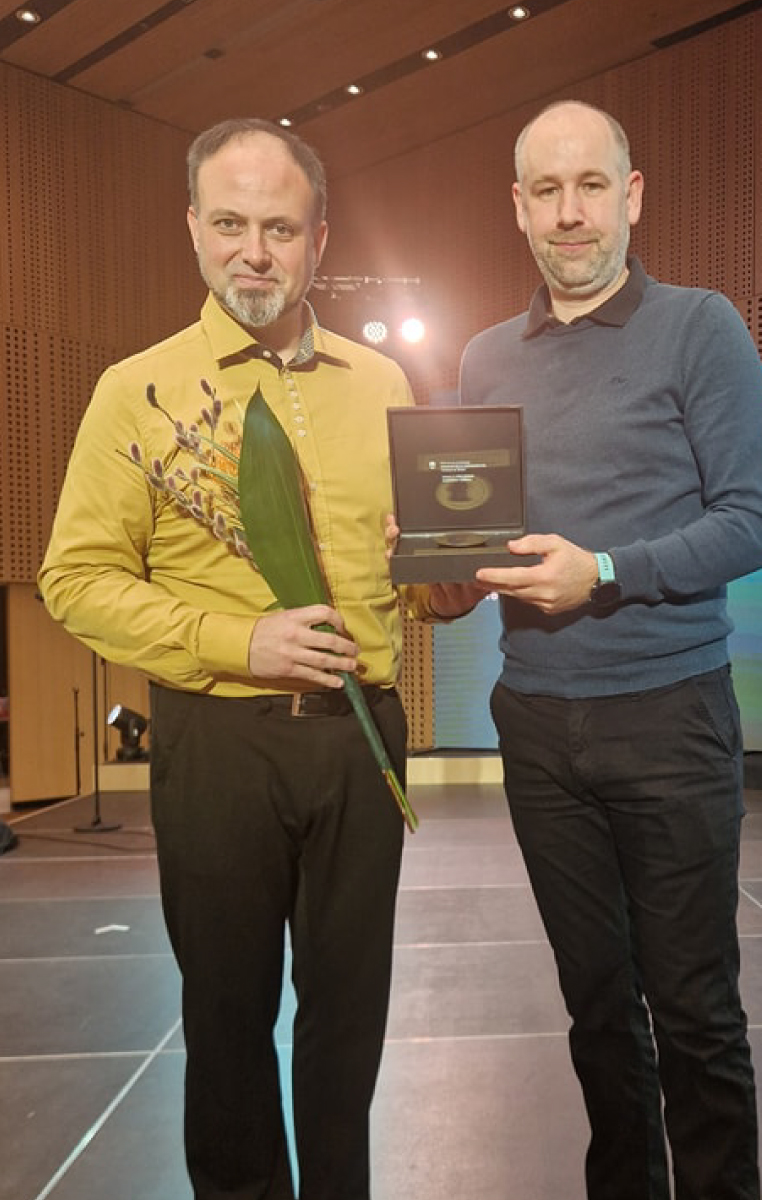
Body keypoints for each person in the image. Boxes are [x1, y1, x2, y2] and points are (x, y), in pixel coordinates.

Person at [39, 118, 433, 1200]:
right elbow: (76, 579)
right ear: (192, 229)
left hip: (362, 739)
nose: (253, 252)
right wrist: (239, 640)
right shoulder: (137, 389)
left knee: (350, 1024)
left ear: (318, 238)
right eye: (229, 225)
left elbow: (415, 580)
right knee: (225, 1020)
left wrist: (444, 578)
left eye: (279, 228)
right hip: (217, 744)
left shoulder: (384, 382)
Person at [436, 99, 762, 1200]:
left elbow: (752, 524)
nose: (570, 212)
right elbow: (476, 547)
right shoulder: (484, 357)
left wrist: (607, 569)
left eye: (591, 186)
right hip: (537, 722)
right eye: (547, 190)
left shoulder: (701, 327)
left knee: (694, 1011)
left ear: (631, 196)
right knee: (595, 1010)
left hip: (671, 715)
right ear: (518, 208)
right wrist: (435, 557)